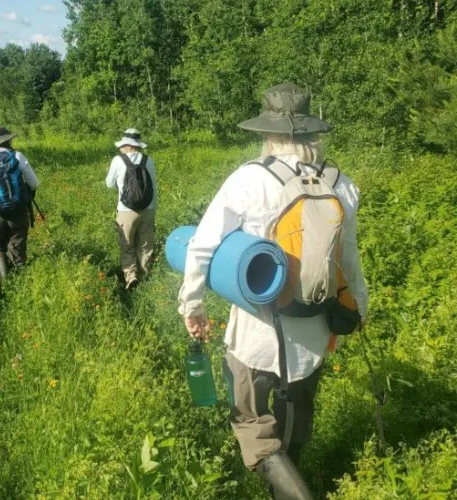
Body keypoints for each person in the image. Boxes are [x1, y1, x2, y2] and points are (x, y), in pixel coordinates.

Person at [177, 84, 368, 499]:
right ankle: (292, 478)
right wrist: (360, 310)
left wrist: (192, 304)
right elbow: (349, 263)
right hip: (314, 335)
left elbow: (203, 246)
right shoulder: (341, 184)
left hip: (255, 334)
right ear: (311, 132)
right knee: (295, 423)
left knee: (251, 422)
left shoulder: (249, 179)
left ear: (267, 132)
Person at [0, 126, 40, 280]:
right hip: (18, 210)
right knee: (18, 247)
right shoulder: (17, 156)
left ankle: (5, 283)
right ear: (8, 139)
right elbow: (34, 183)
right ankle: (21, 283)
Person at [106, 128, 158, 290]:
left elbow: (109, 184)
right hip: (148, 209)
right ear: (138, 145)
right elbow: (153, 186)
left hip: (126, 210)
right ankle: (144, 276)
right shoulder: (148, 160)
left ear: (125, 145)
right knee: (145, 245)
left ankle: (131, 276)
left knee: (127, 244)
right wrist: (153, 208)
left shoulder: (118, 160)